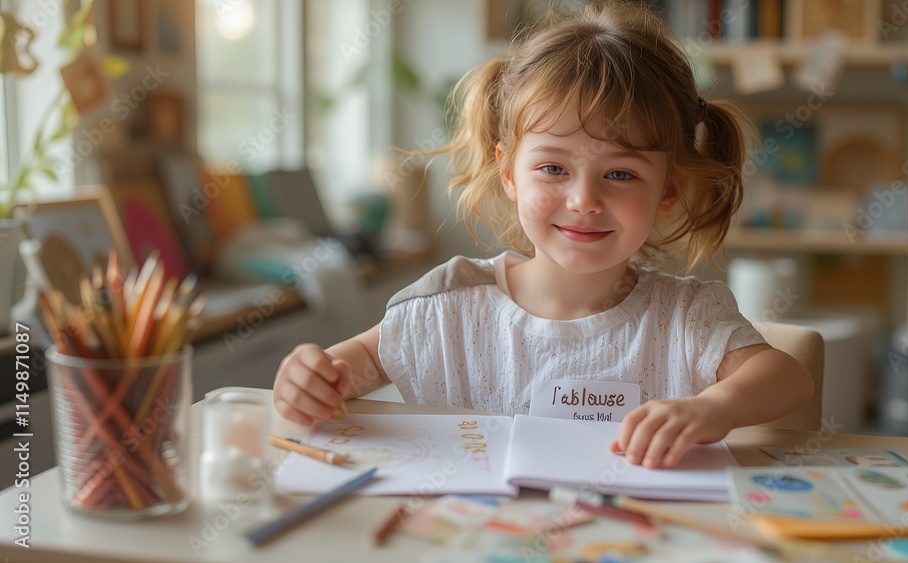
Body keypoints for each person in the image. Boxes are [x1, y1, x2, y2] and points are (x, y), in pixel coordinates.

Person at [273, 1, 813, 468]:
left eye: (620, 174)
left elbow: (788, 378)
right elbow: (348, 370)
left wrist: (714, 408)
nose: (583, 200)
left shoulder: (687, 318)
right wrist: (307, 378)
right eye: (553, 168)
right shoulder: (446, 307)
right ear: (509, 173)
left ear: (668, 190)